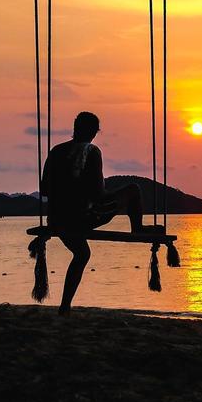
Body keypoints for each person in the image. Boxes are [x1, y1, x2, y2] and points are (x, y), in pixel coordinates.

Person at [40, 111, 154, 313]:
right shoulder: (92, 152)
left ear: (75, 128)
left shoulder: (56, 151)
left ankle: (65, 306)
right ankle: (138, 227)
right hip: (83, 218)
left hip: (58, 220)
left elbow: (44, 190)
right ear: (94, 133)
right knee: (133, 190)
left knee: (82, 254)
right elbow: (98, 194)